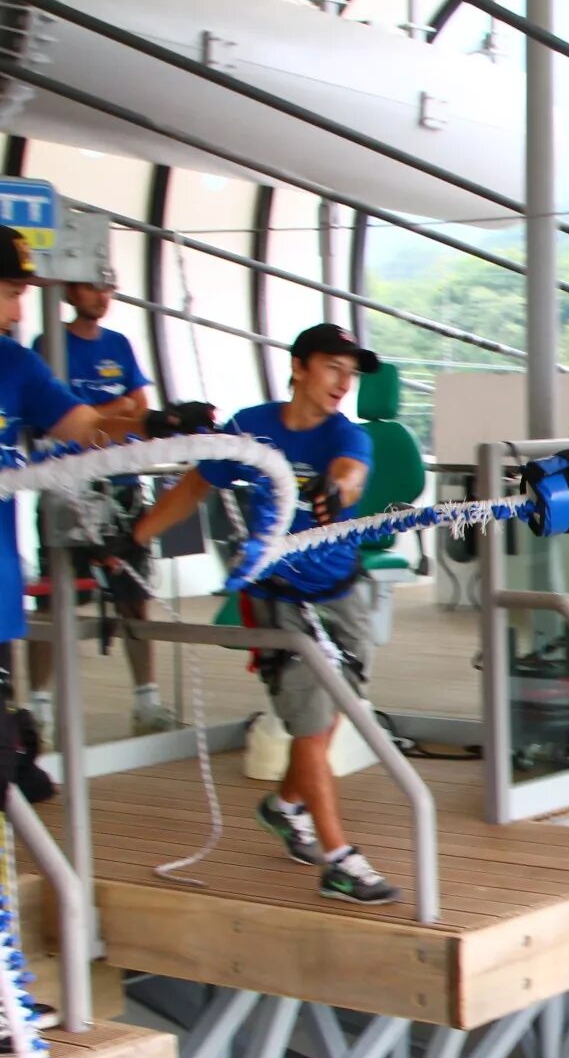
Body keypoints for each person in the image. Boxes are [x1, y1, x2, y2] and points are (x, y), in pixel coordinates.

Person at [136, 323, 396, 904]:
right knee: (309, 722)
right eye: (333, 367)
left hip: (345, 591)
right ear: (299, 366)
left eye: (351, 373)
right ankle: (337, 857)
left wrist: (336, 491)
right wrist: (137, 536)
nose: (343, 382)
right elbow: (196, 484)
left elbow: (350, 473)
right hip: (282, 599)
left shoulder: (345, 435)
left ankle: (284, 805)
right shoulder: (251, 428)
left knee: (331, 717)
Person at [0, 230, 148, 684]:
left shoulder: (17, 363)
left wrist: (158, 425)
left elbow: (86, 428)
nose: (18, 312)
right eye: (10, 295)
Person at [27, 276, 172, 735]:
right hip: (66, 485)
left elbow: (140, 409)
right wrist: (117, 407)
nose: (100, 297)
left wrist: (103, 412)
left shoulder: (121, 344)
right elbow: (60, 417)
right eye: (90, 287)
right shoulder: (47, 343)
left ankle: (147, 700)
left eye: (107, 288)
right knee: (53, 595)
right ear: (68, 293)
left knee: (134, 595)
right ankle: (38, 706)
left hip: (122, 482)